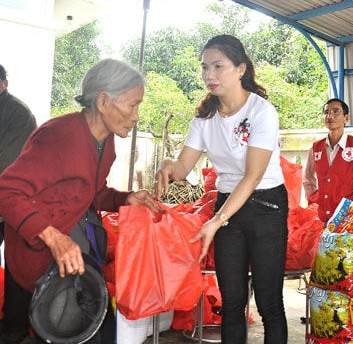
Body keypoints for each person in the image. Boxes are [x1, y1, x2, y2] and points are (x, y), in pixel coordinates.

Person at [0, 59, 162, 344]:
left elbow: (91, 191)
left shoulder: (106, 140)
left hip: (77, 246)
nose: (136, 116)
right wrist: (53, 237)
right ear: (103, 100)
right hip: (41, 253)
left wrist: (125, 199)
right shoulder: (58, 136)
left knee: (91, 329)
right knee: (62, 330)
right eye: (132, 104)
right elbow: (7, 191)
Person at [155, 34, 289, 344]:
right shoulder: (205, 117)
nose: (209, 75)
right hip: (229, 205)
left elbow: (252, 177)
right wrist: (166, 163)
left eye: (218, 66)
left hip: (266, 205)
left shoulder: (261, 112)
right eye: (204, 67)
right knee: (232, 303)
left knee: (269, 302)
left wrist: (216, 221)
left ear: (240, 69)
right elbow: (182, 167)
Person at [0, 64, 37, 343]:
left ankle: (14, 328)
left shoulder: (16, 113)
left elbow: (8, 165)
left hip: (14, 200)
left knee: (16, 264)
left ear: (4, 83)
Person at [303, 98, 353, 223]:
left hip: (349, 217)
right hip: (322, 215)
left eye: (336, 112)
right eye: (326, 112)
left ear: (346, 118)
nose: (330, 116)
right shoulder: (315, 148)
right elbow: (308, 179)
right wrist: (313, 201)